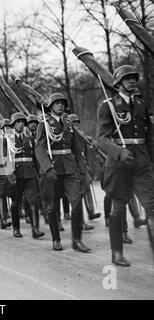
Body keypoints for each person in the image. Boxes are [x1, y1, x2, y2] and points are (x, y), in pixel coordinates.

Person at [96, 65, 154, 266]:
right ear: (118, 83)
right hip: (119, 163)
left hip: (142, 162)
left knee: (152, 206)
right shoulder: (108, 105)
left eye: (133, 78)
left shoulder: (141, 104)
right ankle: (116, 252)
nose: (132, 81)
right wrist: (119, 152)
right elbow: (101, 139)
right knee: (118, 208)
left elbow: (149, 138)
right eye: (127, 78)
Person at [36, 93, 90, 252]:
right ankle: (56, 239)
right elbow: (40, 149)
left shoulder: (69, 124)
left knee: (77, 203)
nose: (60, 105)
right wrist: (47, 168)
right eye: (57, 103)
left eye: (62, 103)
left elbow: (77, 149)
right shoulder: (44, 124)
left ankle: (77, 240)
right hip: (52, 169)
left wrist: (82, 170)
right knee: (52, 206)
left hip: (70, 169)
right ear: (51, 106)